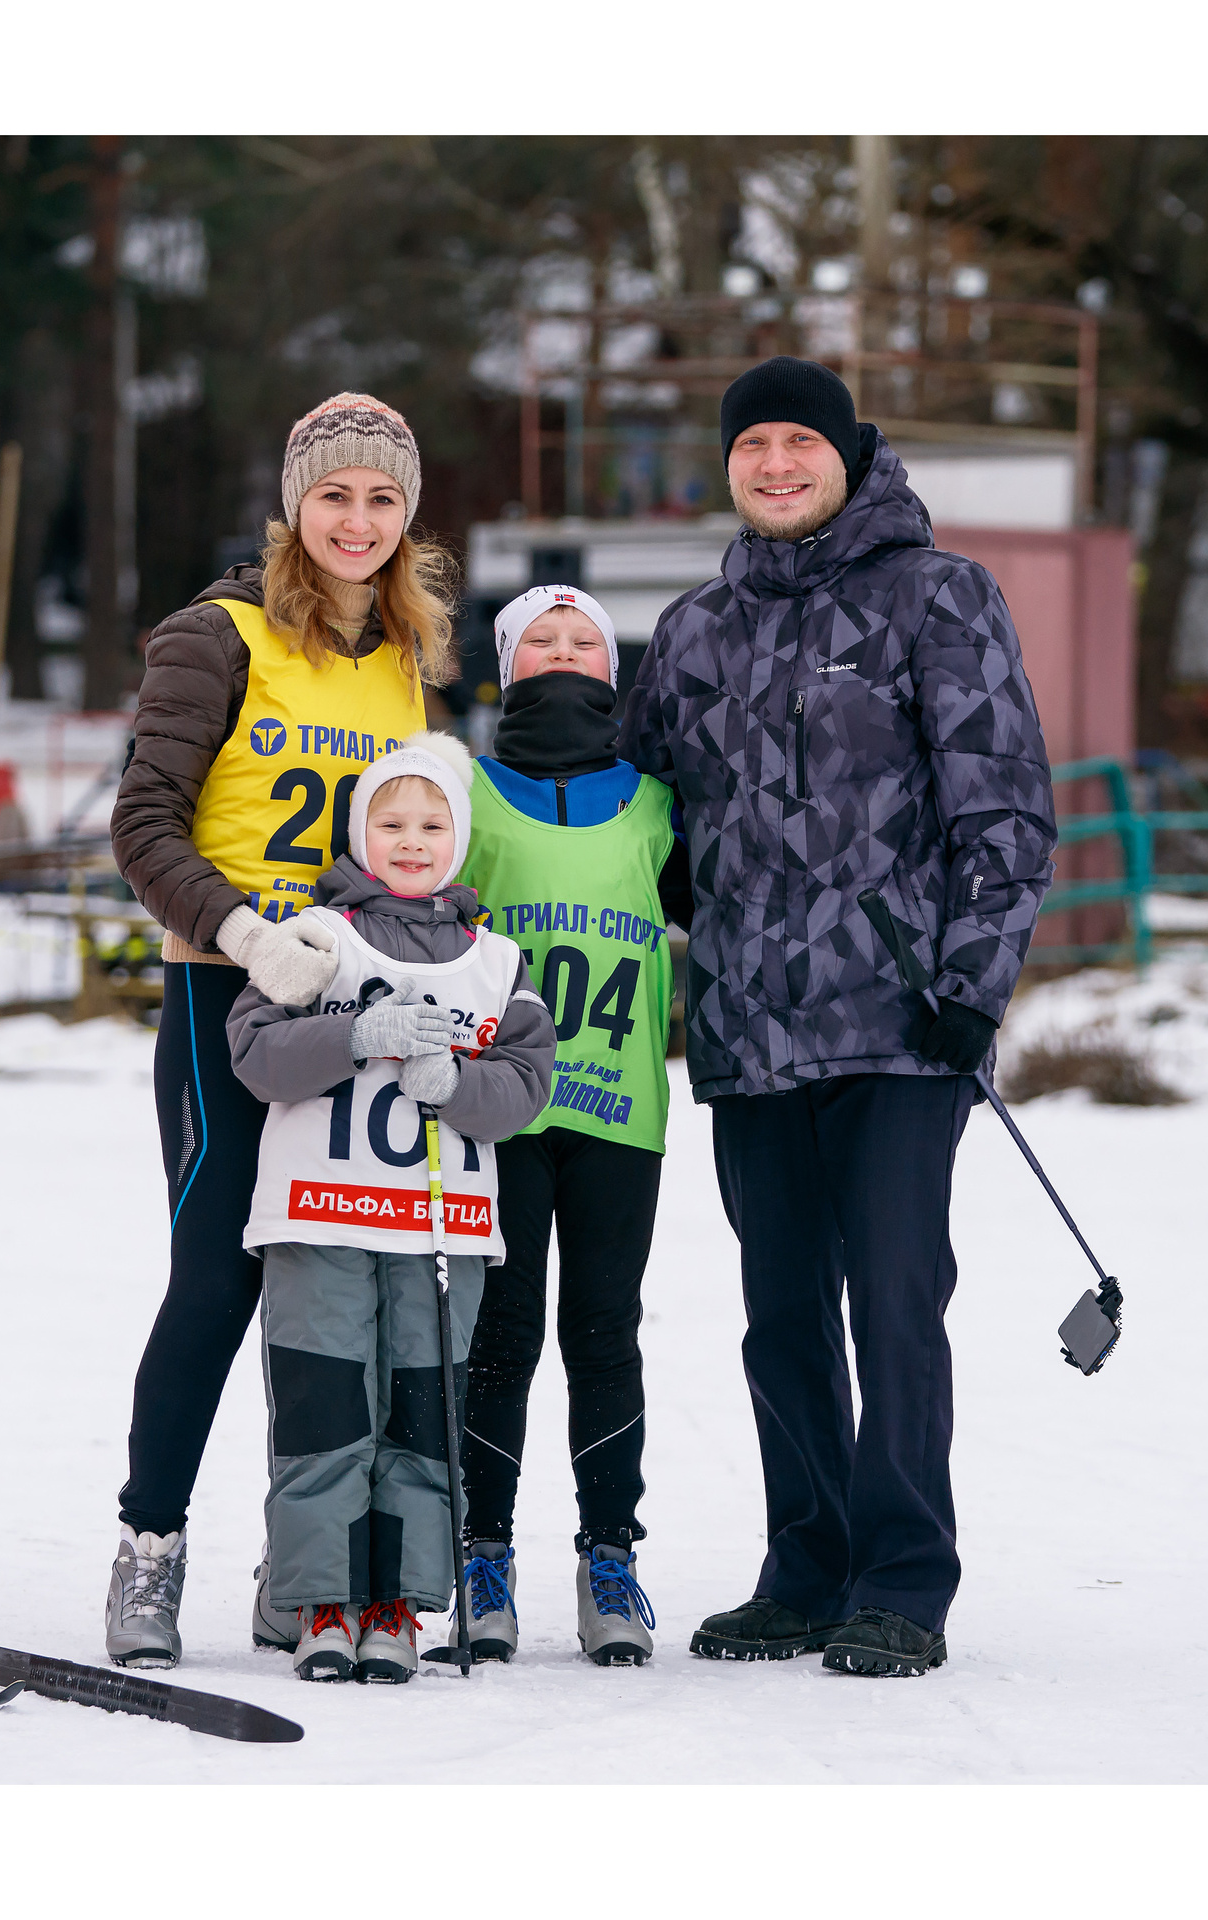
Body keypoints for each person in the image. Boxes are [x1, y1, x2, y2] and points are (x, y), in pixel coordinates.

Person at [619, 356, 1057, 1677]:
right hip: (752, 1032)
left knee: (898, 1303)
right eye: (751, 444)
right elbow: (647, 823)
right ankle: (804, 1567)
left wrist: (972, 986)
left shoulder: (941, 598)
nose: (776, 464)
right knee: (782, 1316)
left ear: (849, 454)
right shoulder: (696, 630)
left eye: (799, 440)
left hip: (903, 1027)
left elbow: (1005, 812)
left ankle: (902, 1581)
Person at [104, 393, 455, 1668]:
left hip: (357, 1003)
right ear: (293, 506)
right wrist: (246, 932)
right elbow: (143, 822)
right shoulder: (221, 634)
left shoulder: (407, 655)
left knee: (336, 1283)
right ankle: (149, 1549)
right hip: (228, 992)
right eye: (334, 495)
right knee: (219, 1276)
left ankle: (298, 1567)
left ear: (406, 515)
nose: (356, 520)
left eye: (381, 498)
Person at [224, 733, 555, 1681]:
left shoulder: (495, 961)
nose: (412, 841)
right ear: (362, 834)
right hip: (320, 1213)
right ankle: (319, 1600)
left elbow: (527, 1086)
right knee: (327, 1410)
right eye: (392, 822)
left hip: (435, 1224)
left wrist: (453, 1082)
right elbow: (254, 1052)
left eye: (432, 823)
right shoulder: (318, 938)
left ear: (458, 839)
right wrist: (352, 1031)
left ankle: (396, 1603)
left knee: (420, 1412)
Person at [449, 583, 684, 1665]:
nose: (560, 650)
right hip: (497, 1111)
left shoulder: (655, 802)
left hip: (619, 1109)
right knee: (499, 1333)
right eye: (537, 638)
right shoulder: (466, 795)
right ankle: (480, 1551)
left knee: (603, 1329)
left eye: (581, 638)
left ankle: (608, 1556)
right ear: (505, 666)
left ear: (611, 670)